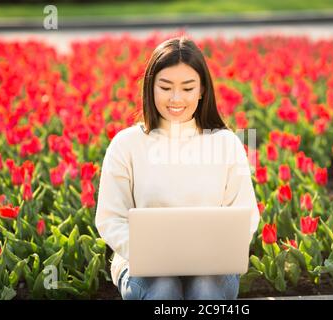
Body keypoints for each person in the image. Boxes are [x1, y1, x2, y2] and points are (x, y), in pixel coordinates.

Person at [95, 36, 260, 300]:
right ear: (151, 87)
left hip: (213, 267)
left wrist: (219, 250)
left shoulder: (225, 143)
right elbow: (110, 218)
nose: (176, 98)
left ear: (202, 90)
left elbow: (246, 215)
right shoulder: (126, 144)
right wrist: (147, 254)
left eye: (187, 88)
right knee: (164, 287)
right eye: (165, 87)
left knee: (204, 287)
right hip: (142, 267)